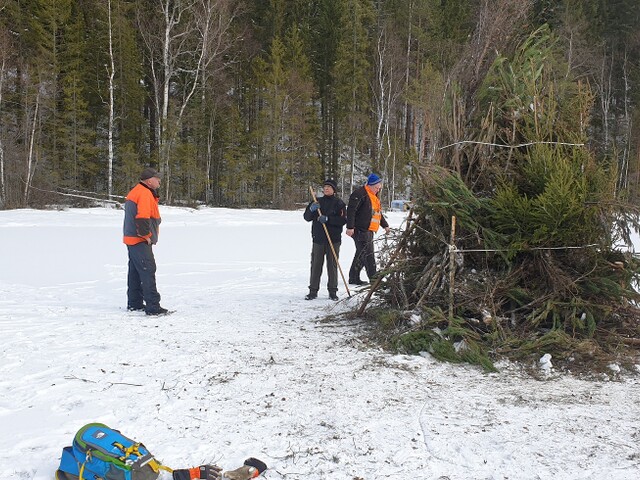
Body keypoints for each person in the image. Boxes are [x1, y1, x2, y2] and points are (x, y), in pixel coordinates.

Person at [123, 167, 169, 315]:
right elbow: (142, 217)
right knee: (148, 270)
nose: (160, 181)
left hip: (132, 239)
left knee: (136, 272)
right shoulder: (144, 193)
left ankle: (135, 303)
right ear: (150, 181)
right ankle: (153, 307)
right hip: (139, 240)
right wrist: (146, 236)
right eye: (157, 179)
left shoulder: (137, 191)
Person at [303, 179, 347, 300]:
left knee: (332, 265)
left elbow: (343, 220)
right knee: (316, 265)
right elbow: (306, 217)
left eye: (329, 187)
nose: (326, 189)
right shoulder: (317, 201)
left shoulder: (339, 204)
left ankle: (332, 291)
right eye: (325, 187)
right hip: (318, 239)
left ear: (334, 190)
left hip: (333, 240)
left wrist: (328, 219)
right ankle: (313, 290)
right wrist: (311, 209)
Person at [346, 173, 390, 285]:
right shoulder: (360, 194)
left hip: (369, 230)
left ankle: (353, 277)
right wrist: (350, 227)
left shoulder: (373, 197)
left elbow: (377, 214)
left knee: (361, 254)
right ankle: (374, 280)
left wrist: (384, 225)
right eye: (376, 188)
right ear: (370, 185)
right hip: (360, 230)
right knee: (368, 254)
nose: (378, 190)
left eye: (379, 188)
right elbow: (351, 211)